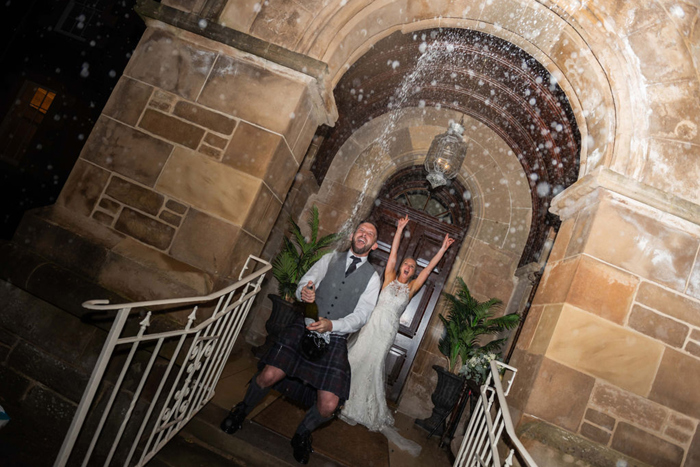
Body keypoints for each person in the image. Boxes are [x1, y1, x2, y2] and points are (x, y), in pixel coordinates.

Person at [220, 220, 382, 464]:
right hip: (304, 326)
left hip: (333, 338)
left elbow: (362, 316)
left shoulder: (372, 278)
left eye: (369, 234)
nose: (364, 235)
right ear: (352, 236)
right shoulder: (329, 259)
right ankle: (241, 409)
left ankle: (302, 434)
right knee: (268, 376)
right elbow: (307, 282)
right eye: (361, 230)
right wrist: (304, 292)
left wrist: (333, 325)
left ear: (374, 245)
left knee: (329, 405)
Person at [339, 215, 454, 454]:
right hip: (372, 325)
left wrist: (443, 249)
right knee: (356, 357)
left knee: (373, 364)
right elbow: (393, 253)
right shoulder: (389, 277)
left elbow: (430, 269)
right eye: (407, 264)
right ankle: (341, 397)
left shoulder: (411, 288)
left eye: (412, 267)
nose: (408, 268)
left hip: (387, 332)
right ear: (401, 266)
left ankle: (363, 407)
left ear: (413, 273)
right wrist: (400, 229)